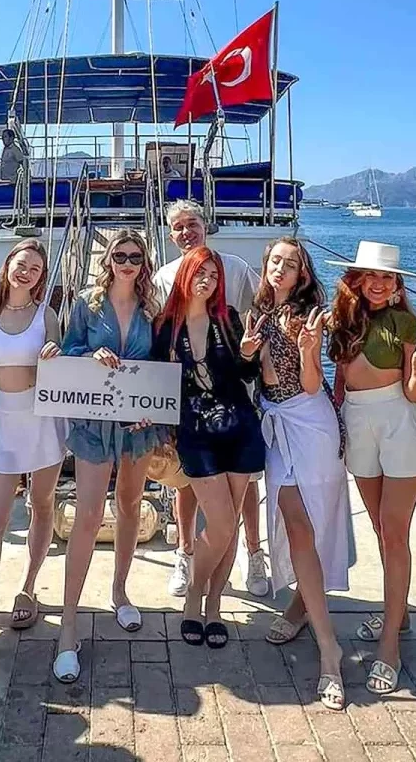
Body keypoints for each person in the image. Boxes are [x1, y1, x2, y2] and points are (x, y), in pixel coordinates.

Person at [326, 240, 416, 697]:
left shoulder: (406, 322)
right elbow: (340, 380)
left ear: (396, 285)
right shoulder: (343, 319)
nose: (379, 283)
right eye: (371, 275)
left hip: (398, 421)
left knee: (394, 532)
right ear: (357, 279)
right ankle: (401, 613)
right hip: (357, 421)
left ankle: (390, 644)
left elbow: (414, 393)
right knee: (379, 526)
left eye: (387, 277)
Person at [54, 229, 169, 683]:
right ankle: (68, 625)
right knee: (86, 515)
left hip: (137, 427)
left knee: (130, 505)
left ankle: (120, 592)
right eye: (120, 256)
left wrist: (154, 410)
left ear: (144, 263)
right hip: (93, 424)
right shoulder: (88, 304)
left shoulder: (152, 308)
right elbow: (68, 351)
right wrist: (89, 354)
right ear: (108, 260)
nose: (127, 263)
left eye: (135, 257)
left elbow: (159, 366)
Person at [255, 237, 354, 712]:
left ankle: (329, 649)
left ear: (302, 275)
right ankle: (303, 607)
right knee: (296, 526)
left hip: (310, 422)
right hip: (275, 425)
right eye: (275, 261)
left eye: (290, 264)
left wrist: (310, 351)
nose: (280, 268)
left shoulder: (305, 316)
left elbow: (313, 385)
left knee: (311, 526)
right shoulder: (259, 312)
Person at [0, 240, 66, 675]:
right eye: (22, 264)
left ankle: (28, 587)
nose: (27, 272)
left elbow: (62, 372)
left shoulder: (47, 315)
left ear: (41, 277)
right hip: (2, 419)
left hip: (44, 421)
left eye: (36, 269)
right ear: (7, 266)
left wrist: (55, 356)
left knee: (42, 504)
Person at [153, 199, 268, 600]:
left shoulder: (234, 267)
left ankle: (253, 552)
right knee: (186, 484)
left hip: (235, 397)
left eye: (193, 224)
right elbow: (157, 348)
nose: (187, 232)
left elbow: (263, 304)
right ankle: (186, 554)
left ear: (206, 226)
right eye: (178, 227)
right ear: (170, 234)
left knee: (246, 486)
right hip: (191, 410)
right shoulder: (164, 277)